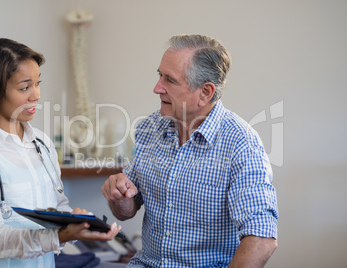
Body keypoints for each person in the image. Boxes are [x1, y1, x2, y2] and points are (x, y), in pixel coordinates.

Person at [102, 34, 279, 267]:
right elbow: (127, 210)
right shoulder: (150, 127)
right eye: (159, 76)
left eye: (170, 80)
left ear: (205, 92)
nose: (157, 88)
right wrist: (119, 195)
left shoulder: (241, 143)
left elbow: (262, 237)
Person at [0, 38, 120, 268]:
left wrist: (77, 221)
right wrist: (60, 237)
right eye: (24, 87)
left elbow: (57, 206)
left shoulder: (42, 142)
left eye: (37, 83)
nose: (36, 95)